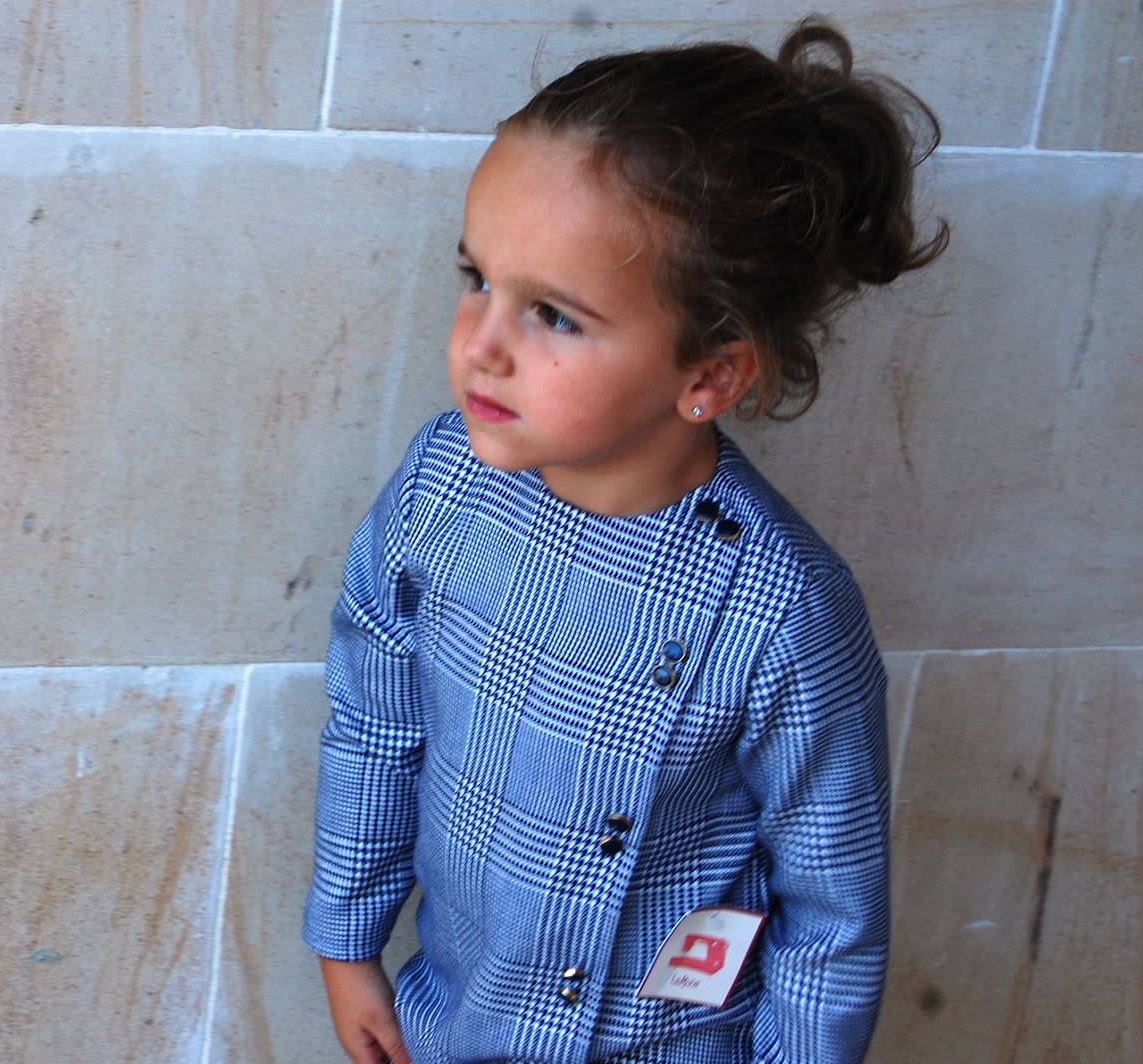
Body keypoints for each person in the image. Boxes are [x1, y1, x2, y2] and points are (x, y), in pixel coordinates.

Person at [303, 18, 948, 1064]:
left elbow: (831, 919)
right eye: (478, 278)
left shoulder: (782, 609)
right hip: (448, 1019)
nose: (481, 346)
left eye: (554, 315)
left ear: (710, 374)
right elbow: (376, 724)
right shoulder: (439, 484)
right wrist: (347, 941)